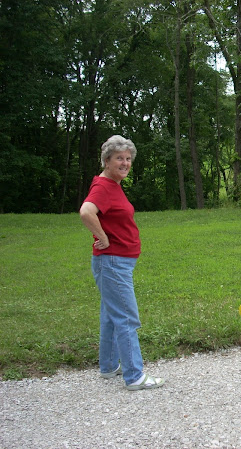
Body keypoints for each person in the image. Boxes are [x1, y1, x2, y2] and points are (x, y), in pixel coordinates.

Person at [80, 135, 165, 391]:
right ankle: (134, 376)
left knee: (110, 315)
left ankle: (108, 366)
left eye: (128, 159)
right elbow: (86, 212)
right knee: (127, 317)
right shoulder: (104, 187)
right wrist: (103, 237)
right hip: (113, 263)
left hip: (116, 262)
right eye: (120, 158)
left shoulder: (112, 184)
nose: (125, 163)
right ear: (107, 160)